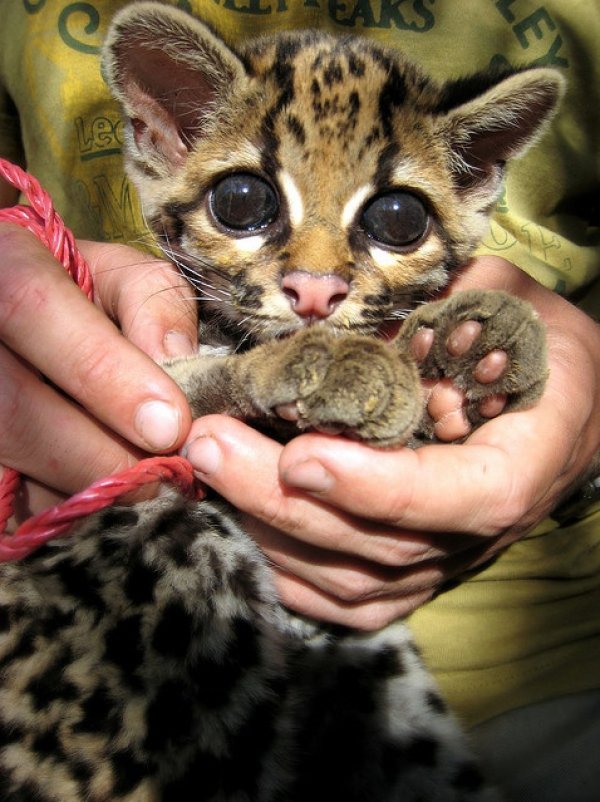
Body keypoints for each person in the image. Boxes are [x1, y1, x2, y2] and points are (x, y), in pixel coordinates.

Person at [1, 2, 599, 799]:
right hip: (117, 643)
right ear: (164, 134)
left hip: (547, 656)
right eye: (246, 203)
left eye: (393, 217)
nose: (315, 279)